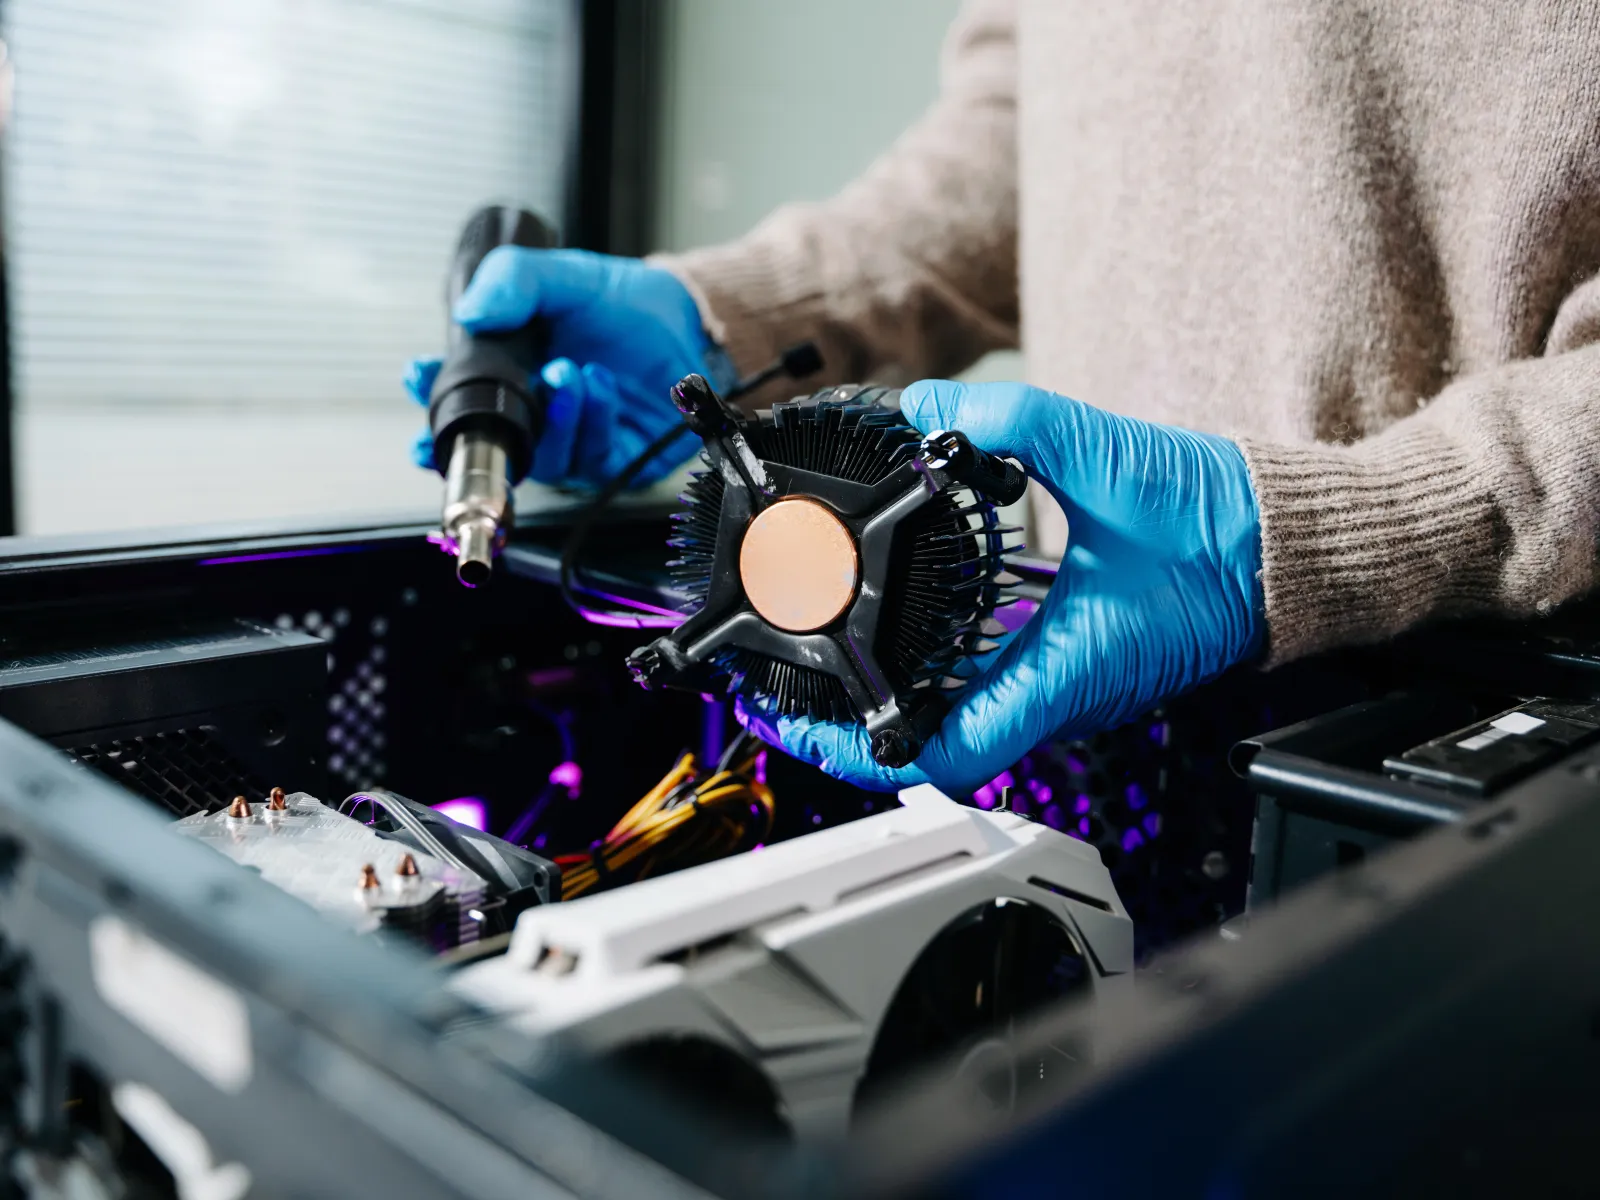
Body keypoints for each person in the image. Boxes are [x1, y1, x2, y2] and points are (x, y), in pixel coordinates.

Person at [406, 0, 1600, 796]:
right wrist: (731, 316)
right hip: (1076, 702)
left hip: (1479, 740)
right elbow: (1025, 138)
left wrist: (1377, 515)